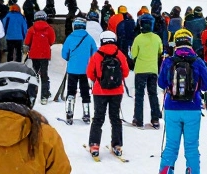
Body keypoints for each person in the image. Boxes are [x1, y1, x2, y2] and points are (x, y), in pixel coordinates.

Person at [157, 30, 207, 174]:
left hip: (172, 108)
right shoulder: (197, 61)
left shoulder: (169, 61)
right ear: (190, 42)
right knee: (191, 148)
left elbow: (161, 83)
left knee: (171, 147)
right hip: (192, 109)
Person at [86, 31, 129, 159]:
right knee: (115, 118)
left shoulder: (97, 55)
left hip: (100, 91)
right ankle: (117, 145)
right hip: (117, 91)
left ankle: (94, 144)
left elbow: (90, 73)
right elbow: (125, 73)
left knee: (98, 118)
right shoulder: (120, 54)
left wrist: (99, 80)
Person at [61, 17, 98, 124]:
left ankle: (69, 112)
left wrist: (70, 58)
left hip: (72, 69)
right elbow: (94, 53)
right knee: (85, 91)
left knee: (71, 91)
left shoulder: (69, 38)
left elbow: (64, 54)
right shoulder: (89, 38)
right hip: (86, 70)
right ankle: (86, 113)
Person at [130, 14, 164, 128]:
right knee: (153, 94)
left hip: (140, 70)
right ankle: (155, 119)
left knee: (139, 95)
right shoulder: (157, 38)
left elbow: (133, 54)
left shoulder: (138, 38)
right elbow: (160, 51)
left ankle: (138, 119)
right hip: (153, 70)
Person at [24, 11, 57, 104]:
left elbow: (27, 42)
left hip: (34, 54)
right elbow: (52, 40)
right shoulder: (49, 29)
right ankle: (44, 96)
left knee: (34, 74)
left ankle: (31, 93)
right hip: (45, 54)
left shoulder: (31, 29)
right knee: (44, 74)